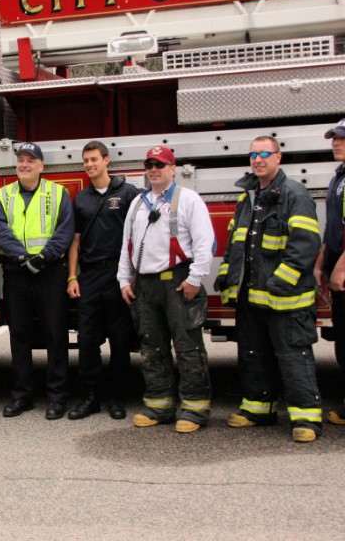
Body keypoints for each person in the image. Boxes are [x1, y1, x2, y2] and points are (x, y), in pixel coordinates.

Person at [217, 136, 323, 442]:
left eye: (265, 153)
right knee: (253, 353)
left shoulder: (294, 193)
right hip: (251, 297)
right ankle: (258, 409)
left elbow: (306, 243)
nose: (258, 159)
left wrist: (281, 281)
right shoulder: (247, 198)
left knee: (292, 356)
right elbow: (236, 245)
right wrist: (227, 279)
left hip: (285, 298)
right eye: (253, 154)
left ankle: (305, 419)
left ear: (279, 158)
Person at [118, 145, 215, 434]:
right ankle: (159, 406)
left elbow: (205, 242)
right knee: (152, 347)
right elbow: (127, 245)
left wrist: (195, 279)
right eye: (150, 165)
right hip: (146, 286)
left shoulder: (188, 200)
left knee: (187, 346)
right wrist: (124, 280)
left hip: (178, 282)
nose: (154, 170)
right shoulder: (138, 204)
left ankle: (195, 410)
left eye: (160, 165)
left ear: (173, 169)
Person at [0, 142, 74, 419]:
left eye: (30, 160)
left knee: (55, 334)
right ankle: (22, 395)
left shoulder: (57, 192)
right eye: (20, 160)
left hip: (50, 273)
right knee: (19, 335)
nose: (24, 164)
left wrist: (44, 257)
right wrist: (23, 257)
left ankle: (57, 397)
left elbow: (65, 231)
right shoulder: (3, 195)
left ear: (41, 166)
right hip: (17, 273)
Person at [67, 141, 139, 420]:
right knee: (86, 340)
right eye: (85, 160)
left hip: (118, 275)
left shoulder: (128, 193)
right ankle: (90, 397)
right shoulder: (81, 198)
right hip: (90, 276)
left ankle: (117, 398)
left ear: (107, 161)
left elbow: (137, 235)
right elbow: (75, 241)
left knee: (120, 340)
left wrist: (132, 276)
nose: (89, 165)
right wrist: (73, 276)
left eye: (94, 159)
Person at [316, 119, 345, 426]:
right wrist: (323, 259)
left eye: (341, 138)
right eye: (334, 138)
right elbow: (335, 225)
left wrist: (340, 268)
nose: (335, 142)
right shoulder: (339, 177)